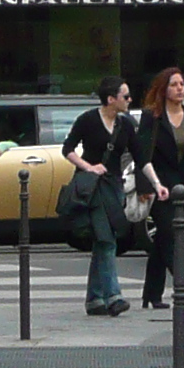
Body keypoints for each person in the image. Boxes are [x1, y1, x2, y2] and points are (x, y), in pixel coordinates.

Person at [136, 67, 184, 310]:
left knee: (163, 240)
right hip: (161, 186)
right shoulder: (153, 117)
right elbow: (142, 154)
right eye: (174, 84)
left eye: (182, 84)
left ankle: (152, 294)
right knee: (170, 237)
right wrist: (145, 186)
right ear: (164, 89)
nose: (180, 88)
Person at [64, 75, 135, 316]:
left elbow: (141, 154)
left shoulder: (126, 124)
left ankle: (94, 299)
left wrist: (152, 184)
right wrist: (89, 166)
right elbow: (68, 149)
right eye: (125, 96)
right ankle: (114, 296)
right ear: (111, 99)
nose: (129, 99)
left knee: (103, 239)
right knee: (106, 239)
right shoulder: (88, 120)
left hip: (114, 185)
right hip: (92, 187)